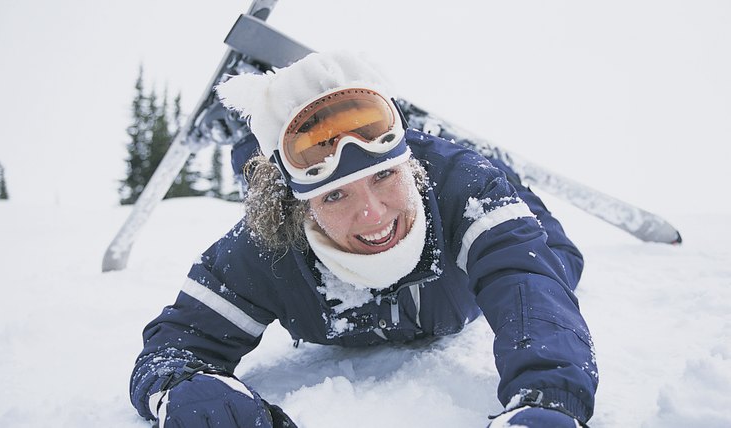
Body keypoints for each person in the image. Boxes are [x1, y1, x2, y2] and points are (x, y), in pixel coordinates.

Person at [129, 50, 598, 427]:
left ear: (408, 164)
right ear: (304, 206)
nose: (371, 213)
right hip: (279, 184)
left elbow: (526, 280)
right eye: (334, 196)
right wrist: (185, 390)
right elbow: (176, 344)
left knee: (559, 261)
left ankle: (412, 133)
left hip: (461, 170)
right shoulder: (266, 244)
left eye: (384, 176)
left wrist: (549, 400)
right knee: (259, 181)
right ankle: (242, 128)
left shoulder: (462, 185)